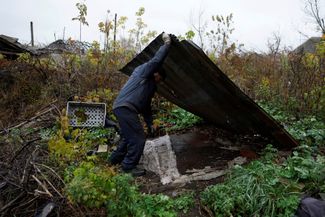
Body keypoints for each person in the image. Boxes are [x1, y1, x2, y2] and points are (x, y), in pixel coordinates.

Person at [110, 33, 172, 176]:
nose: (159, 82)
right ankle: (128, 167)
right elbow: (157, 60)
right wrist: (167, 44)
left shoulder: (149, 86)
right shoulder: (143, 71)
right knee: (138, 138)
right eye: (159, 79)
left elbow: (146, 107)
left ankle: (114, 160)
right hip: (126, 107)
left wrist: (150, 123)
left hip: (122, 108)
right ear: (156, 74)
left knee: (128, 137)